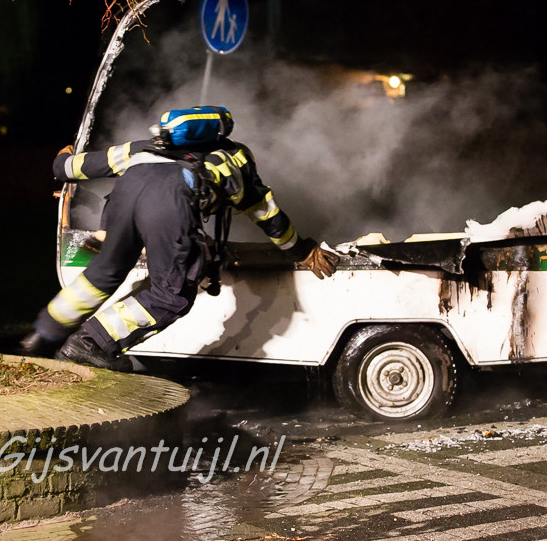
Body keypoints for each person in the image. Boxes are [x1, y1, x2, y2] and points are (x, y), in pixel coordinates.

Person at [21, 106, 339, 370]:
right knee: (170, 296)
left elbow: (71, 167)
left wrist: (62, 159)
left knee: (104, 273)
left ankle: (44, 334)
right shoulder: (235, 158)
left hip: (122, 199)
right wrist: (301, 251)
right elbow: (268, 215)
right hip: (169, 206)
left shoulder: (143, 148)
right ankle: (91, 343)